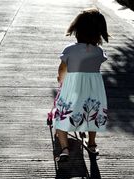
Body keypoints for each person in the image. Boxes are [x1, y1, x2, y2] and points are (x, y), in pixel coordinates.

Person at [53, 8, 109, 162]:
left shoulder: (69, 50)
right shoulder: (99, 52)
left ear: (76, 30)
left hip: (72, 89)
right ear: (99, 33)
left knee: (61, 117)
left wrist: (60, 79)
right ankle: (92, 144)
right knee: (92, 115)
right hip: (93, 90)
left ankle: (64, 149)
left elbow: (62, 69)